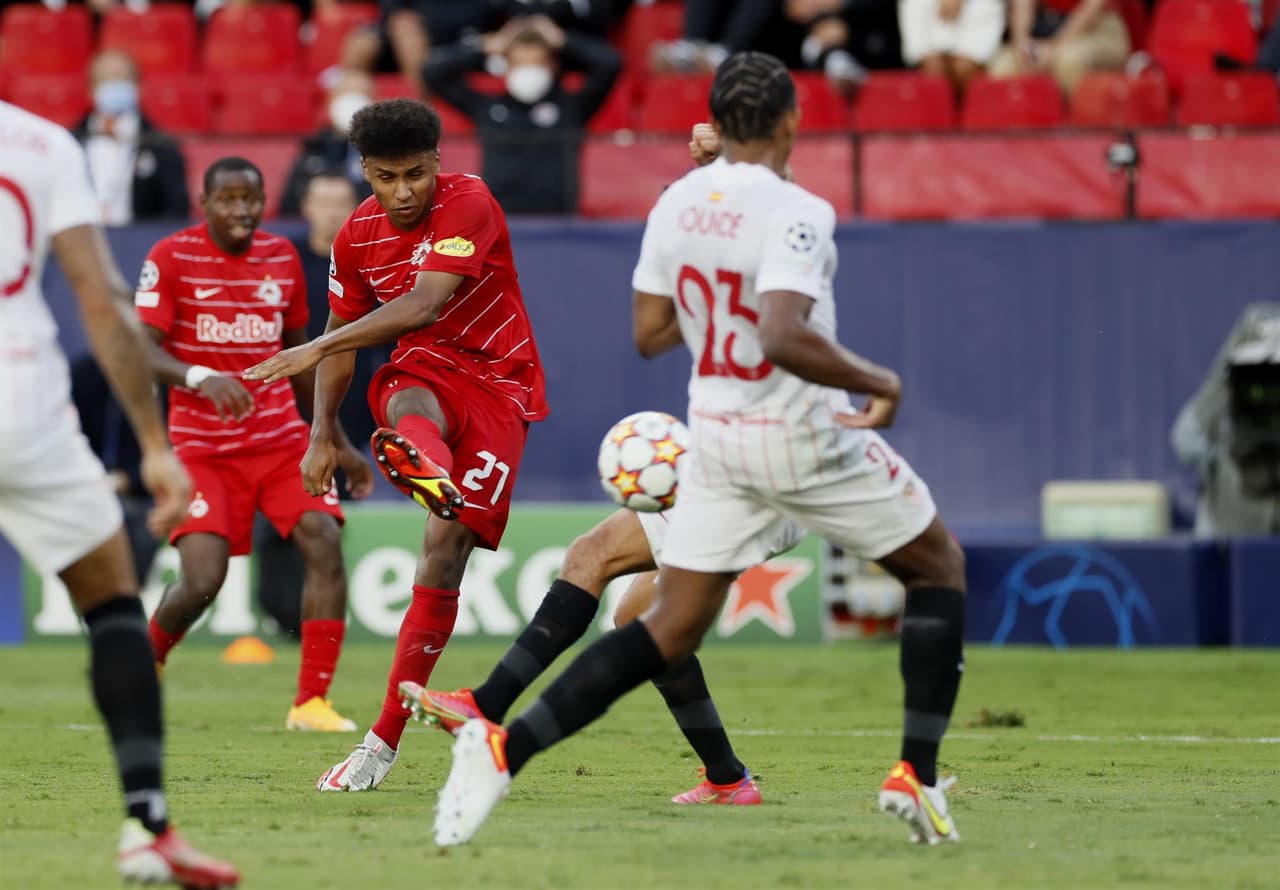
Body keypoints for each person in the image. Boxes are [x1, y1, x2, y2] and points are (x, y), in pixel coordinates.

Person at [430, 52, 969, 849]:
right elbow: (784, 335)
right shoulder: (802, 212)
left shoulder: (677, 203)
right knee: (938, 567)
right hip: (802, 437)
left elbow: (651, 334)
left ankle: (503, 750)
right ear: (790, 122)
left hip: (715, 443)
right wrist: (876, 379)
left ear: (716, 122)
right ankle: (914, 778)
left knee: (661, 625)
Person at [244, 98, 549, 792]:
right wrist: (322, 434)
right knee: (405, 388)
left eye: (415, 174)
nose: (403, 191)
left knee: (446, 553)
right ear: (365, 173)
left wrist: (314, 345)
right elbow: (347, 344)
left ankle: (428, 474)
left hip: (502, 385)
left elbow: (424, 303)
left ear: (437, 163)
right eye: (386, 177)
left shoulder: (469, 201)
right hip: (429, 372)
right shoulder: (355, 237)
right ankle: (425, 466)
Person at [0, 99, 238, 887]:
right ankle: (148, 828)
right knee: (111, 607)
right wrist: (153, 446)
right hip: (22, 403)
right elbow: (100, 300)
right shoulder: (41, 143)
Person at [135, 157, 373, 732]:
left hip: (278, 440)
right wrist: (198, 377)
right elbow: (138, 350)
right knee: (202, 580)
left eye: (251, 199)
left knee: (322, 540)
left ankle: (310, 702)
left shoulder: (281, 257)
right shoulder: (171, 257)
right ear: (205, 201)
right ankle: (147, 667)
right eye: (228, 199)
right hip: (202, 448)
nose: (241, 210)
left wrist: (336, 439)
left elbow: (300, 359)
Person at [423, 14, 621, 214]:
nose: (528, 70)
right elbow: (432, 72)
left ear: (553, 66)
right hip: (500, 220)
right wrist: (487, 44)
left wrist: (561, 39)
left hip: (558, 224)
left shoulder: (571, 107)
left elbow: (610, 64)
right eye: (519, 62)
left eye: (537, 63)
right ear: (506, 66)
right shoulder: (488, 108)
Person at [70, 353, 163, 583]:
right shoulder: (85, 372)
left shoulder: (162, 378)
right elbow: (68, 435)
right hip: (89, 490)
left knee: (131, 576)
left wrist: (129, 478)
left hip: (142, 495)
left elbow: (172, 449)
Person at [71, 49, 190, 225]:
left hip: (137, 243)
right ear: (91, 89)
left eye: (122, 78)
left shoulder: (162, 146)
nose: (115, 85)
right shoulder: (70, 142)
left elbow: (176, 211)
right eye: (106, 80)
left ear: (138, 87)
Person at [278, 70, 376, 217]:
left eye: (360, 96)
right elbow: (289, 205)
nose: (353, 103)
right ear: (332, 101)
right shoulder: (312, 148)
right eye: (346, 96)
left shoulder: (383, 151)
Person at [988, 0, 1129, 93]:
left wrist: (1055, 48)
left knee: (1069, 62)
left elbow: (1092, 7)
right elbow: (1022, 4)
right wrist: (1022, 44)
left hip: (1098, 29)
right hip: (1047, 28)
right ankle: (1023, 132)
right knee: (1003, 66)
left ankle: (1078, 133)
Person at [898, 0, 1006, 94]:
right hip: (928, 90)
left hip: (974, 88)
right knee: (934, 71)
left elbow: (978, 57)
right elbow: (918, 53)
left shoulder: (989, 4)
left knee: (961, 68)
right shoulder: (914, 3)